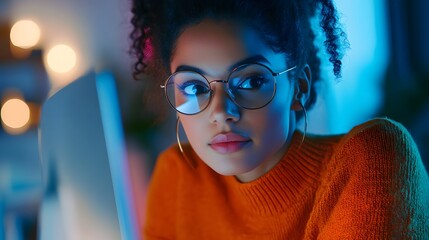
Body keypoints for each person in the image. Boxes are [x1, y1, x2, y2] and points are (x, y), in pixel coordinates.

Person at [129, 0, 429, 239]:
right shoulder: (176, 178)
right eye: (194, 87)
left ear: (299, 86)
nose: (220, 112)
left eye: (250, 82)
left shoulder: (372, 159)